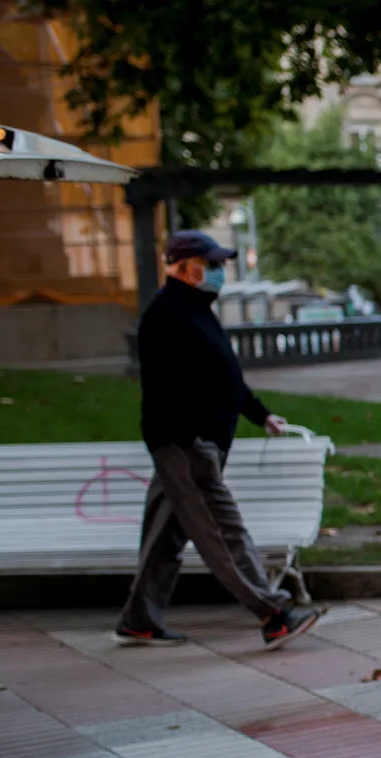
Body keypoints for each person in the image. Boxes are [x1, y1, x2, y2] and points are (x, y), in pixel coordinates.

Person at [115, 230, 321, 650]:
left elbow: (224, 378)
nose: (217, 271)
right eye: (209, 264)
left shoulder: (195, 311)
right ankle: (273, 613)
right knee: (223, 532)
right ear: (181, 266)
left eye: (218, 264)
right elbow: (165, 389)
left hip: (192, 444)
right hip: (187, 445)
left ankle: (140, 619)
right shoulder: (167, 314)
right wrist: (190, 441)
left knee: (166, 534)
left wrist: (259, 414)